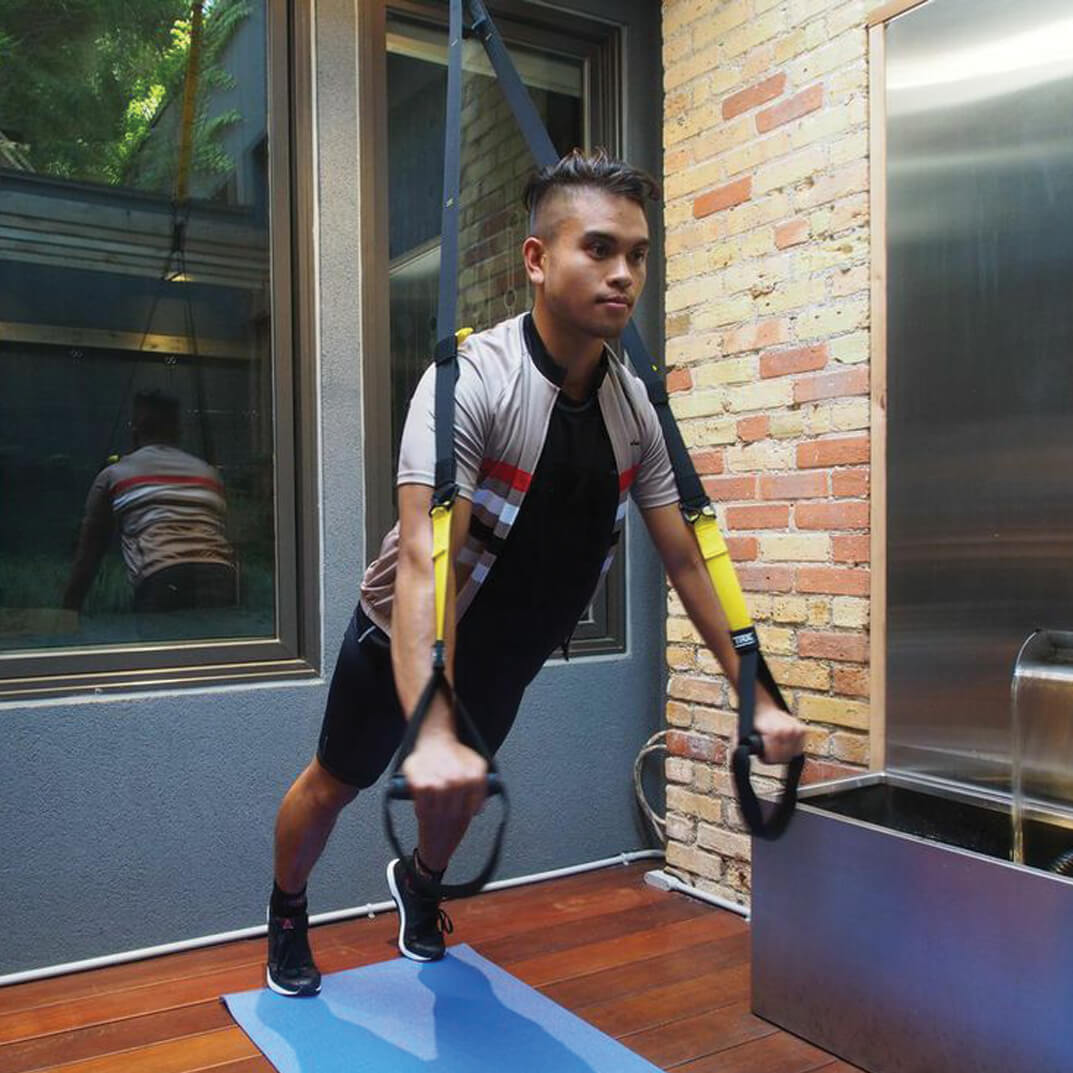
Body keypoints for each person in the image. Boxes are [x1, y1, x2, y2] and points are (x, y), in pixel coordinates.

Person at [266, 150, 805, 997]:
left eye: (636, 253)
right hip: (401, 634)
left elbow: (686, 555)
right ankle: (288, 907)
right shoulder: (469, 382)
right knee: (335, 784)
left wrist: (753, 691)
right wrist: (430, 718)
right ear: (536, 259)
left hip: (508, 649)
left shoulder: (636, 409)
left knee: (459, 797)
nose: (623, 273)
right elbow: (422, 559)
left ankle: (417, 880)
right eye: (597, 248)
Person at [63, 390, 236, 615]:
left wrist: (67, 611)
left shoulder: (115, 474)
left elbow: (89, 552)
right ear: (178, 431)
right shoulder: (208, 474)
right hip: (222, 576)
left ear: (135, 429)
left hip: (161, 576)